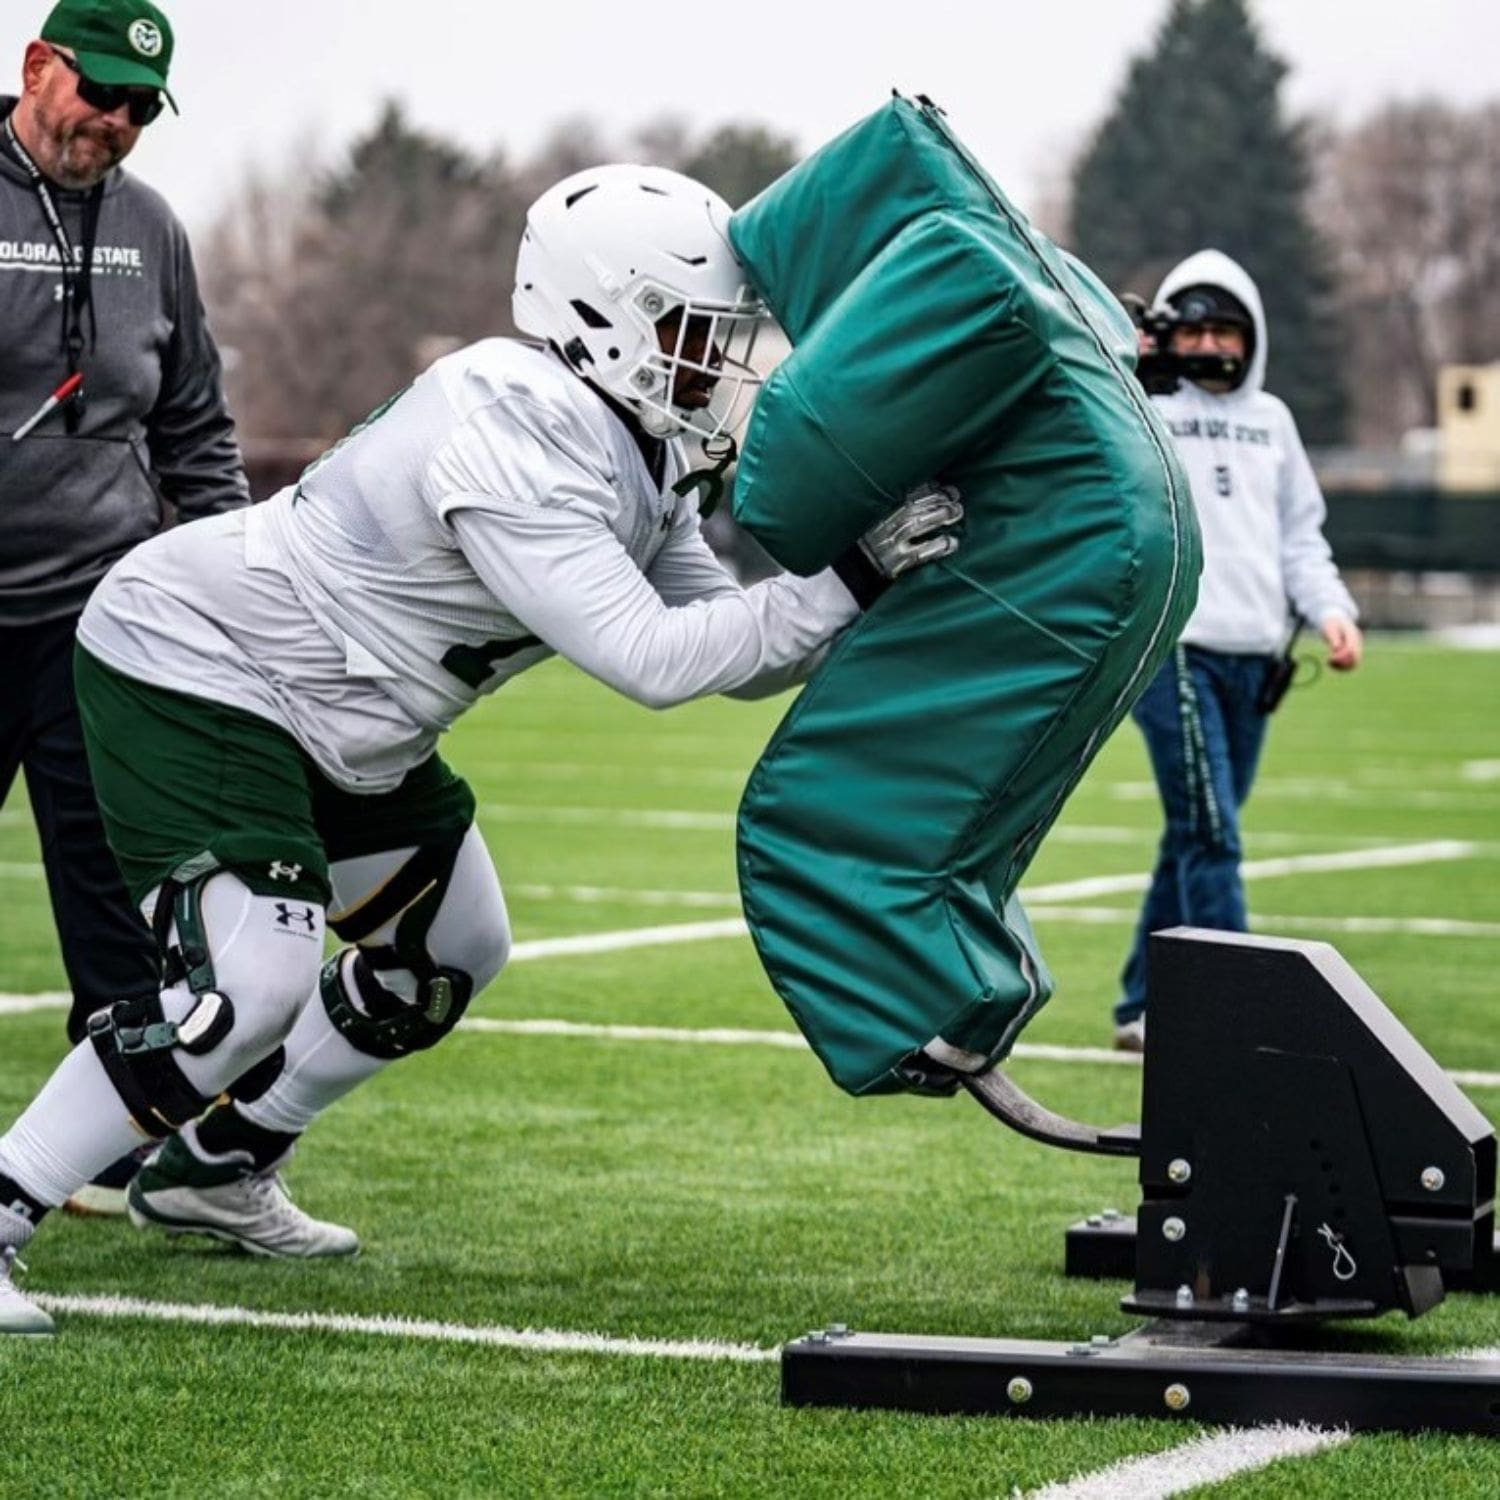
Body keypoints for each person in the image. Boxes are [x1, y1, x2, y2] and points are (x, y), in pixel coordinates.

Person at [0, 162, 963, 1334]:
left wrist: (840, 590)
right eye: (694, 334)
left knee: (451, 947)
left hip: (350, 708)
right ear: (606, 319)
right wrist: (846, 581)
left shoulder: (638, 449)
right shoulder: (516, 421)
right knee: (250, 990)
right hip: (206, 661)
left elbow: (730, 642)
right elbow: (652, 658)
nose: (720, 364)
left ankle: (215, 1167)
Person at [1, 0, 249, 1212]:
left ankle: (104, 1142)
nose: (116, 122)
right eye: (99, 91)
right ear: (36, 65)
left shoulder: (152, 229)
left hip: (96, 623)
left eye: (142, 107)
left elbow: (194, 426)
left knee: (118, 898)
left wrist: (225, 594)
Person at [1113, 249, 1362, 1051]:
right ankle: (1247, 1010)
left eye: (1229, 330)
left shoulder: (1275, 422)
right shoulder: (1142, 404)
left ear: (1251, 336)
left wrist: (1330, 610)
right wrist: (1133, 367)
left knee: (1197, 828)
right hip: (1173, 648)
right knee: (1212, 830)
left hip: (1258, 658)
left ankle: (1142, 1002)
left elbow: (1300, 537)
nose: (1213, 347)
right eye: (1198, 330)